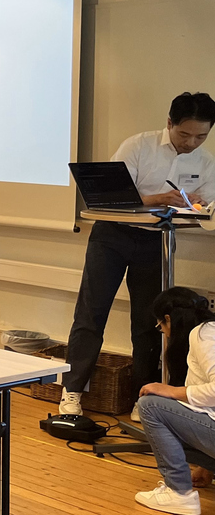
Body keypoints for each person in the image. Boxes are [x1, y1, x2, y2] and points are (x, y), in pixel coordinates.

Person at [61, 92, 215, 420]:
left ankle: (141, 400)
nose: (191, 142)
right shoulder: (138, 145)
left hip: (156, 240)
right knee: (91, 313)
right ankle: (72, 392)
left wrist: (197, 206)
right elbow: (111, 196)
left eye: (201, 136)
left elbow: (208, 209)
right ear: (169, 123)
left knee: (148, 322)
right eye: (184, 134)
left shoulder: (206, 162)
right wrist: (158, 198)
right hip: (112, 237)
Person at [133, 287, 215, 514]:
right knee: (174, 418)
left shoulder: (202, 335)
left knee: (150, 405)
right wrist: (205, 467)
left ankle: (178, 492)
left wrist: (170, 391)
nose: (165, 333)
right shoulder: (209, 331)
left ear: (168, 319)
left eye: (161, 327)